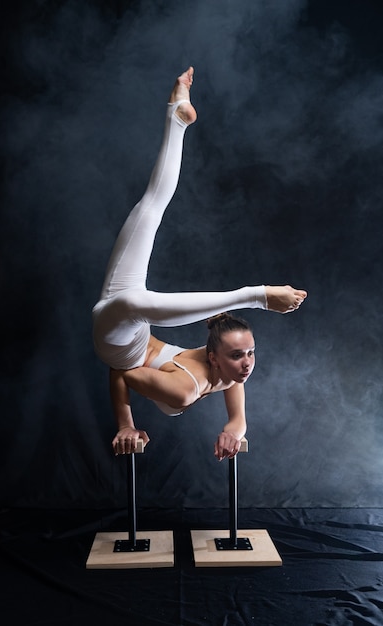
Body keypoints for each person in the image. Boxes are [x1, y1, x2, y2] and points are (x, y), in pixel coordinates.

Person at [92, 67, 307, 461]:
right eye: (243, 355)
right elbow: (236, 402)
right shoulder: (229, 375)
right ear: (214, 356)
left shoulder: (186, 389)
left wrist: (124, 422)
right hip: (136, 320)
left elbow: (121, 372)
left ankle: (256, 296)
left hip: (118, 342)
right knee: (152, 207)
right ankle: (177, 117)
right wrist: (234, 425)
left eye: (248, 355)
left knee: (133, 304)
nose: (247, 365)